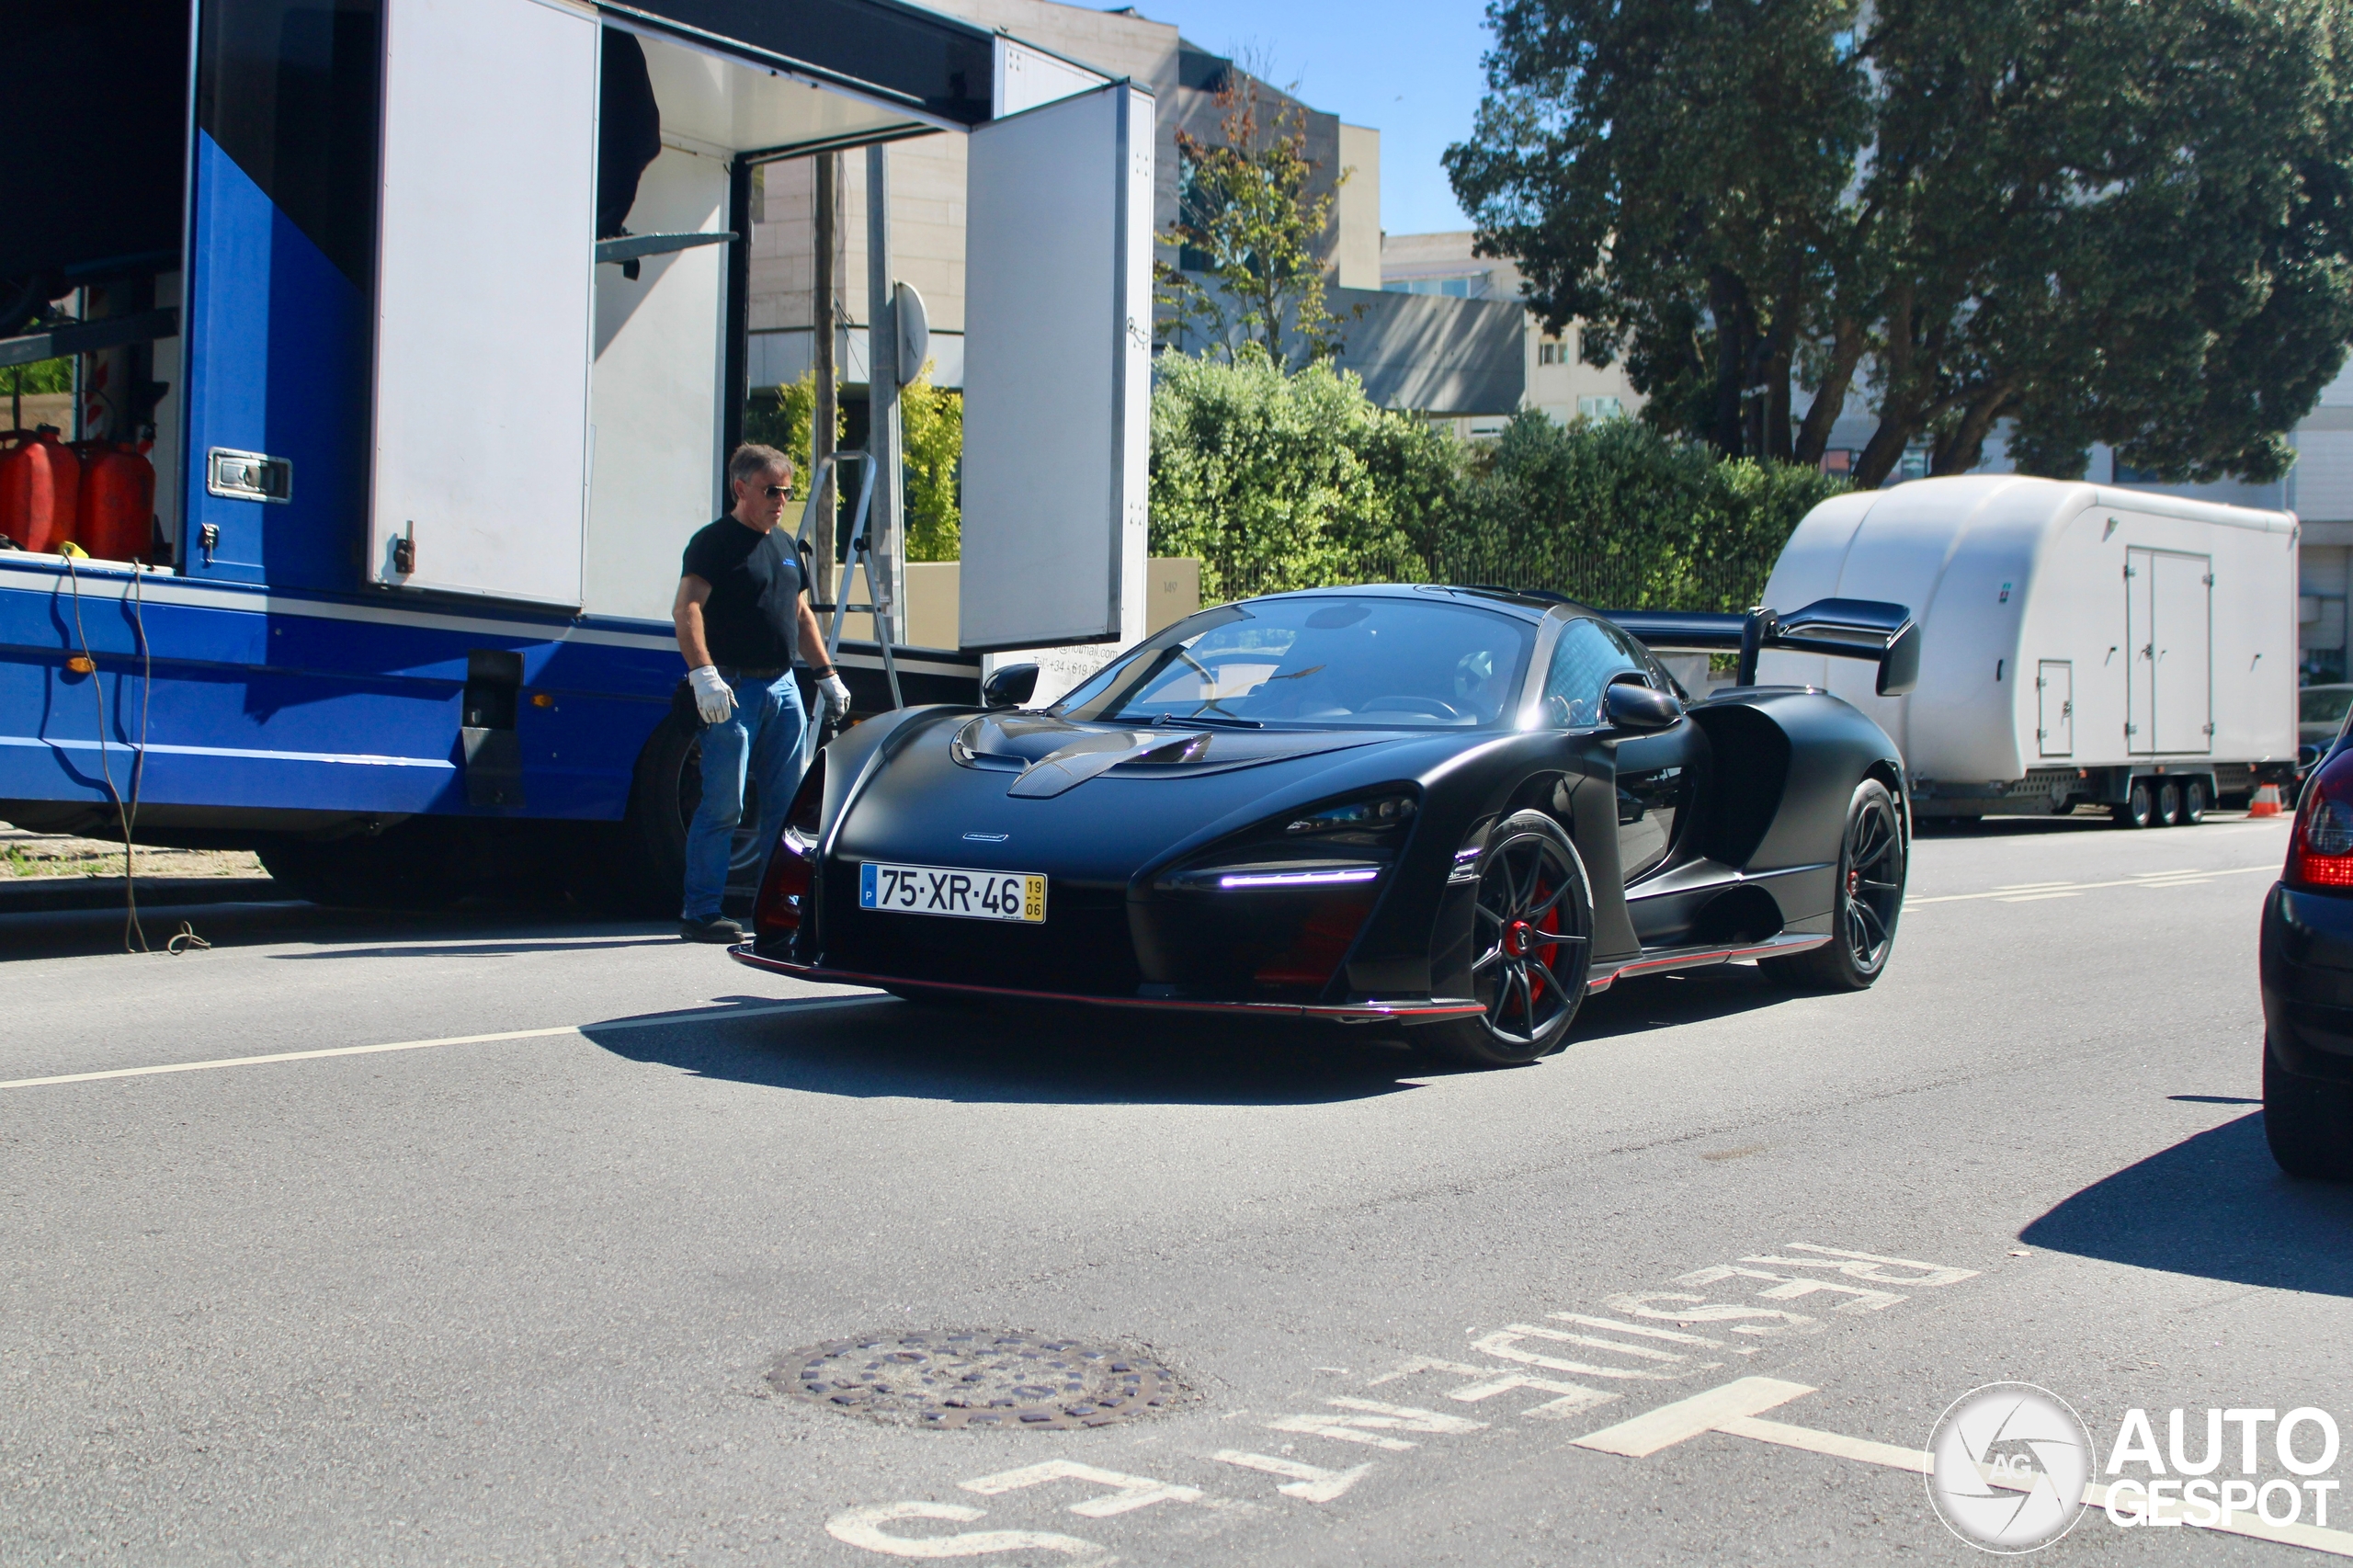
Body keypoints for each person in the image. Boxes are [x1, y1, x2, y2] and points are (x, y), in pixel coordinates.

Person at [672, 444, 852, 941]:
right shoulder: (714, 543)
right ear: (741, 488)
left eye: (786, 492)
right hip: (730, 685)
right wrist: (702, 673)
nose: (780, 500)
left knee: (786, 806)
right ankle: (701, 911)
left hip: (783, 685)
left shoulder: (786, 546)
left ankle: (774, 914)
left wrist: (825, 674)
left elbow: (799, 614)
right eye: (771, 491)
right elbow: (687, 609)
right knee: (725, 802)